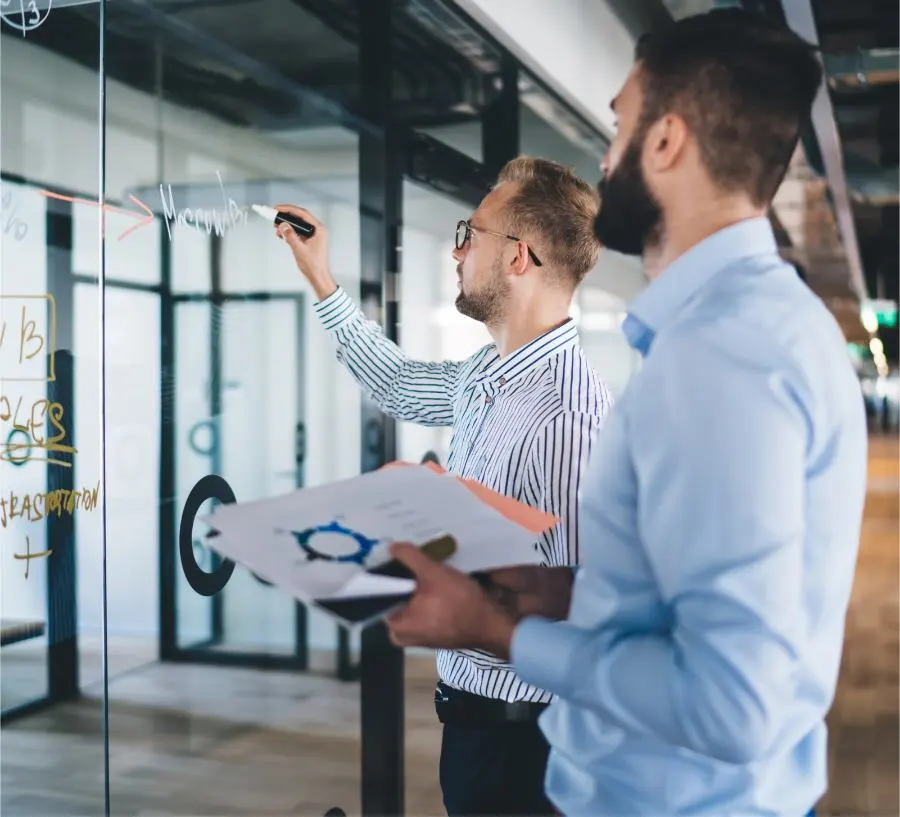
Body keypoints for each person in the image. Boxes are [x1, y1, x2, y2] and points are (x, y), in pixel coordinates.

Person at [382, 9, 868, 817]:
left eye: (618, 127)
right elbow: (699, 614)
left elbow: (729, 703)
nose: (605, 160)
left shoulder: (724, 353)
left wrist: (500, 632)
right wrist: (565, 593)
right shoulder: (751, 326)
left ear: (667, 141)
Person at [273, 156, 613, 816]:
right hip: (477, 724)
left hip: (530, 742)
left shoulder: (567, 414)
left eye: (470, 232)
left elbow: (570, 611)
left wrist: (435, 588)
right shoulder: (486, 373)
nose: (456, 250)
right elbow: (398, 382)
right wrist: (321, 279)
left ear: (519, 257)